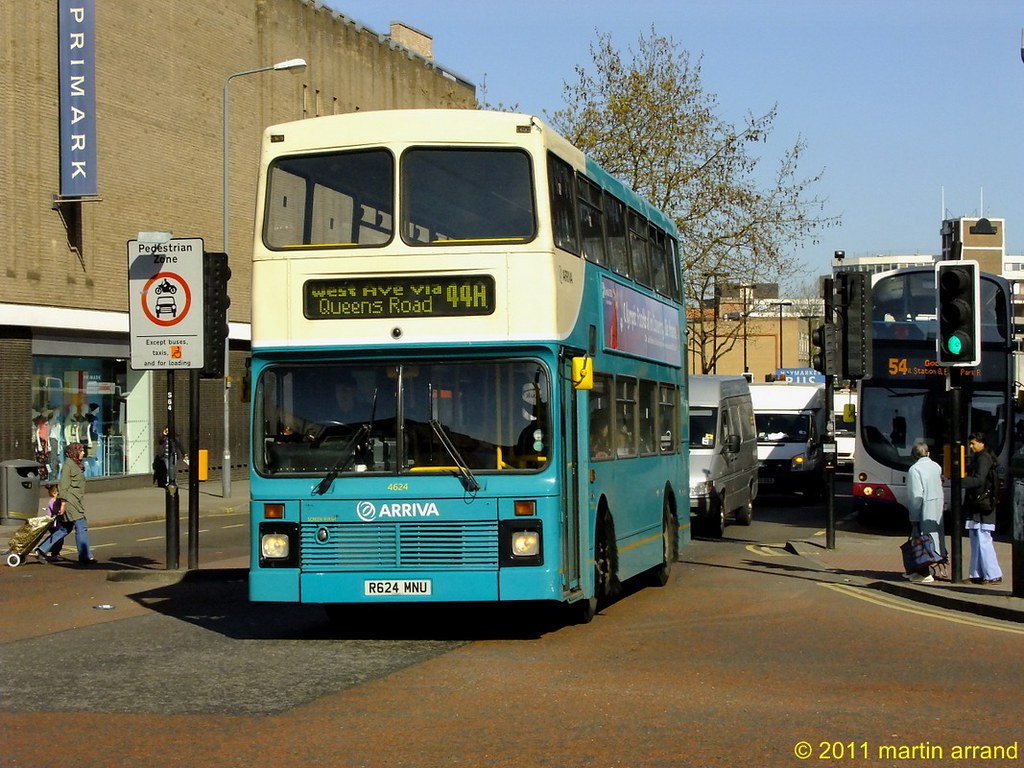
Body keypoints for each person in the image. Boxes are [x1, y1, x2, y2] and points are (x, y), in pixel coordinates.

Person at [36, 442, 97, 565]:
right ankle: (84, 556)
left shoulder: (76, 465)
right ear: (75, 452)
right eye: (81, 450)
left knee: (65, 528)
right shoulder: (68, 466)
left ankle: (42, 549)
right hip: (70, 502)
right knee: (81, 525)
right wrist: (63, 505)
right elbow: (63, 487)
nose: (83, 452)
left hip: (75, 501)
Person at [961, 431, 1003, 585]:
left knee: (984, 539)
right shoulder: (981, 457)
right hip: (978, 505)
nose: (971, 446)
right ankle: (977, 574)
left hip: (982, 505)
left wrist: (961, 481)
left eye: (973, 443)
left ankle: (993, 574)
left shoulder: (983, 458)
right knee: (977, 540)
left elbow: (979, 480)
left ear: (982, 443)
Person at [905, 441, 945, 583]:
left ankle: (924, 573)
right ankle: (921, 571)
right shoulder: (936, 466)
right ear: (928, 453)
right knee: (934, 539)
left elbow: (916, 496)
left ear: (913, 455)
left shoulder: (914, 470)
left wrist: (914, 518)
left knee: (922, 541)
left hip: (924, 509)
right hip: (937, 507)